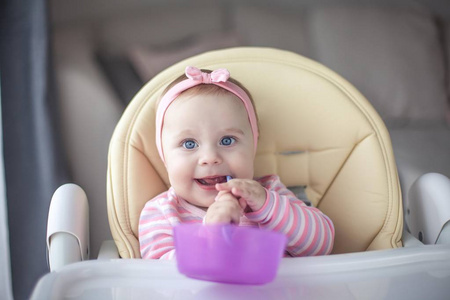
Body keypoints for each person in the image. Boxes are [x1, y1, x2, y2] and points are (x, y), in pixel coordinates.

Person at [139, 66, 335, 260]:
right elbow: (161, 281)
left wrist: (266, 206)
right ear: (164, 155)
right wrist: (211, 234)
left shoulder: (270, 193)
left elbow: (322, 246)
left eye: (227, 140)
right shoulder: (162, 212)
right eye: (189, 144)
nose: (210, 157)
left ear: (253, 146)